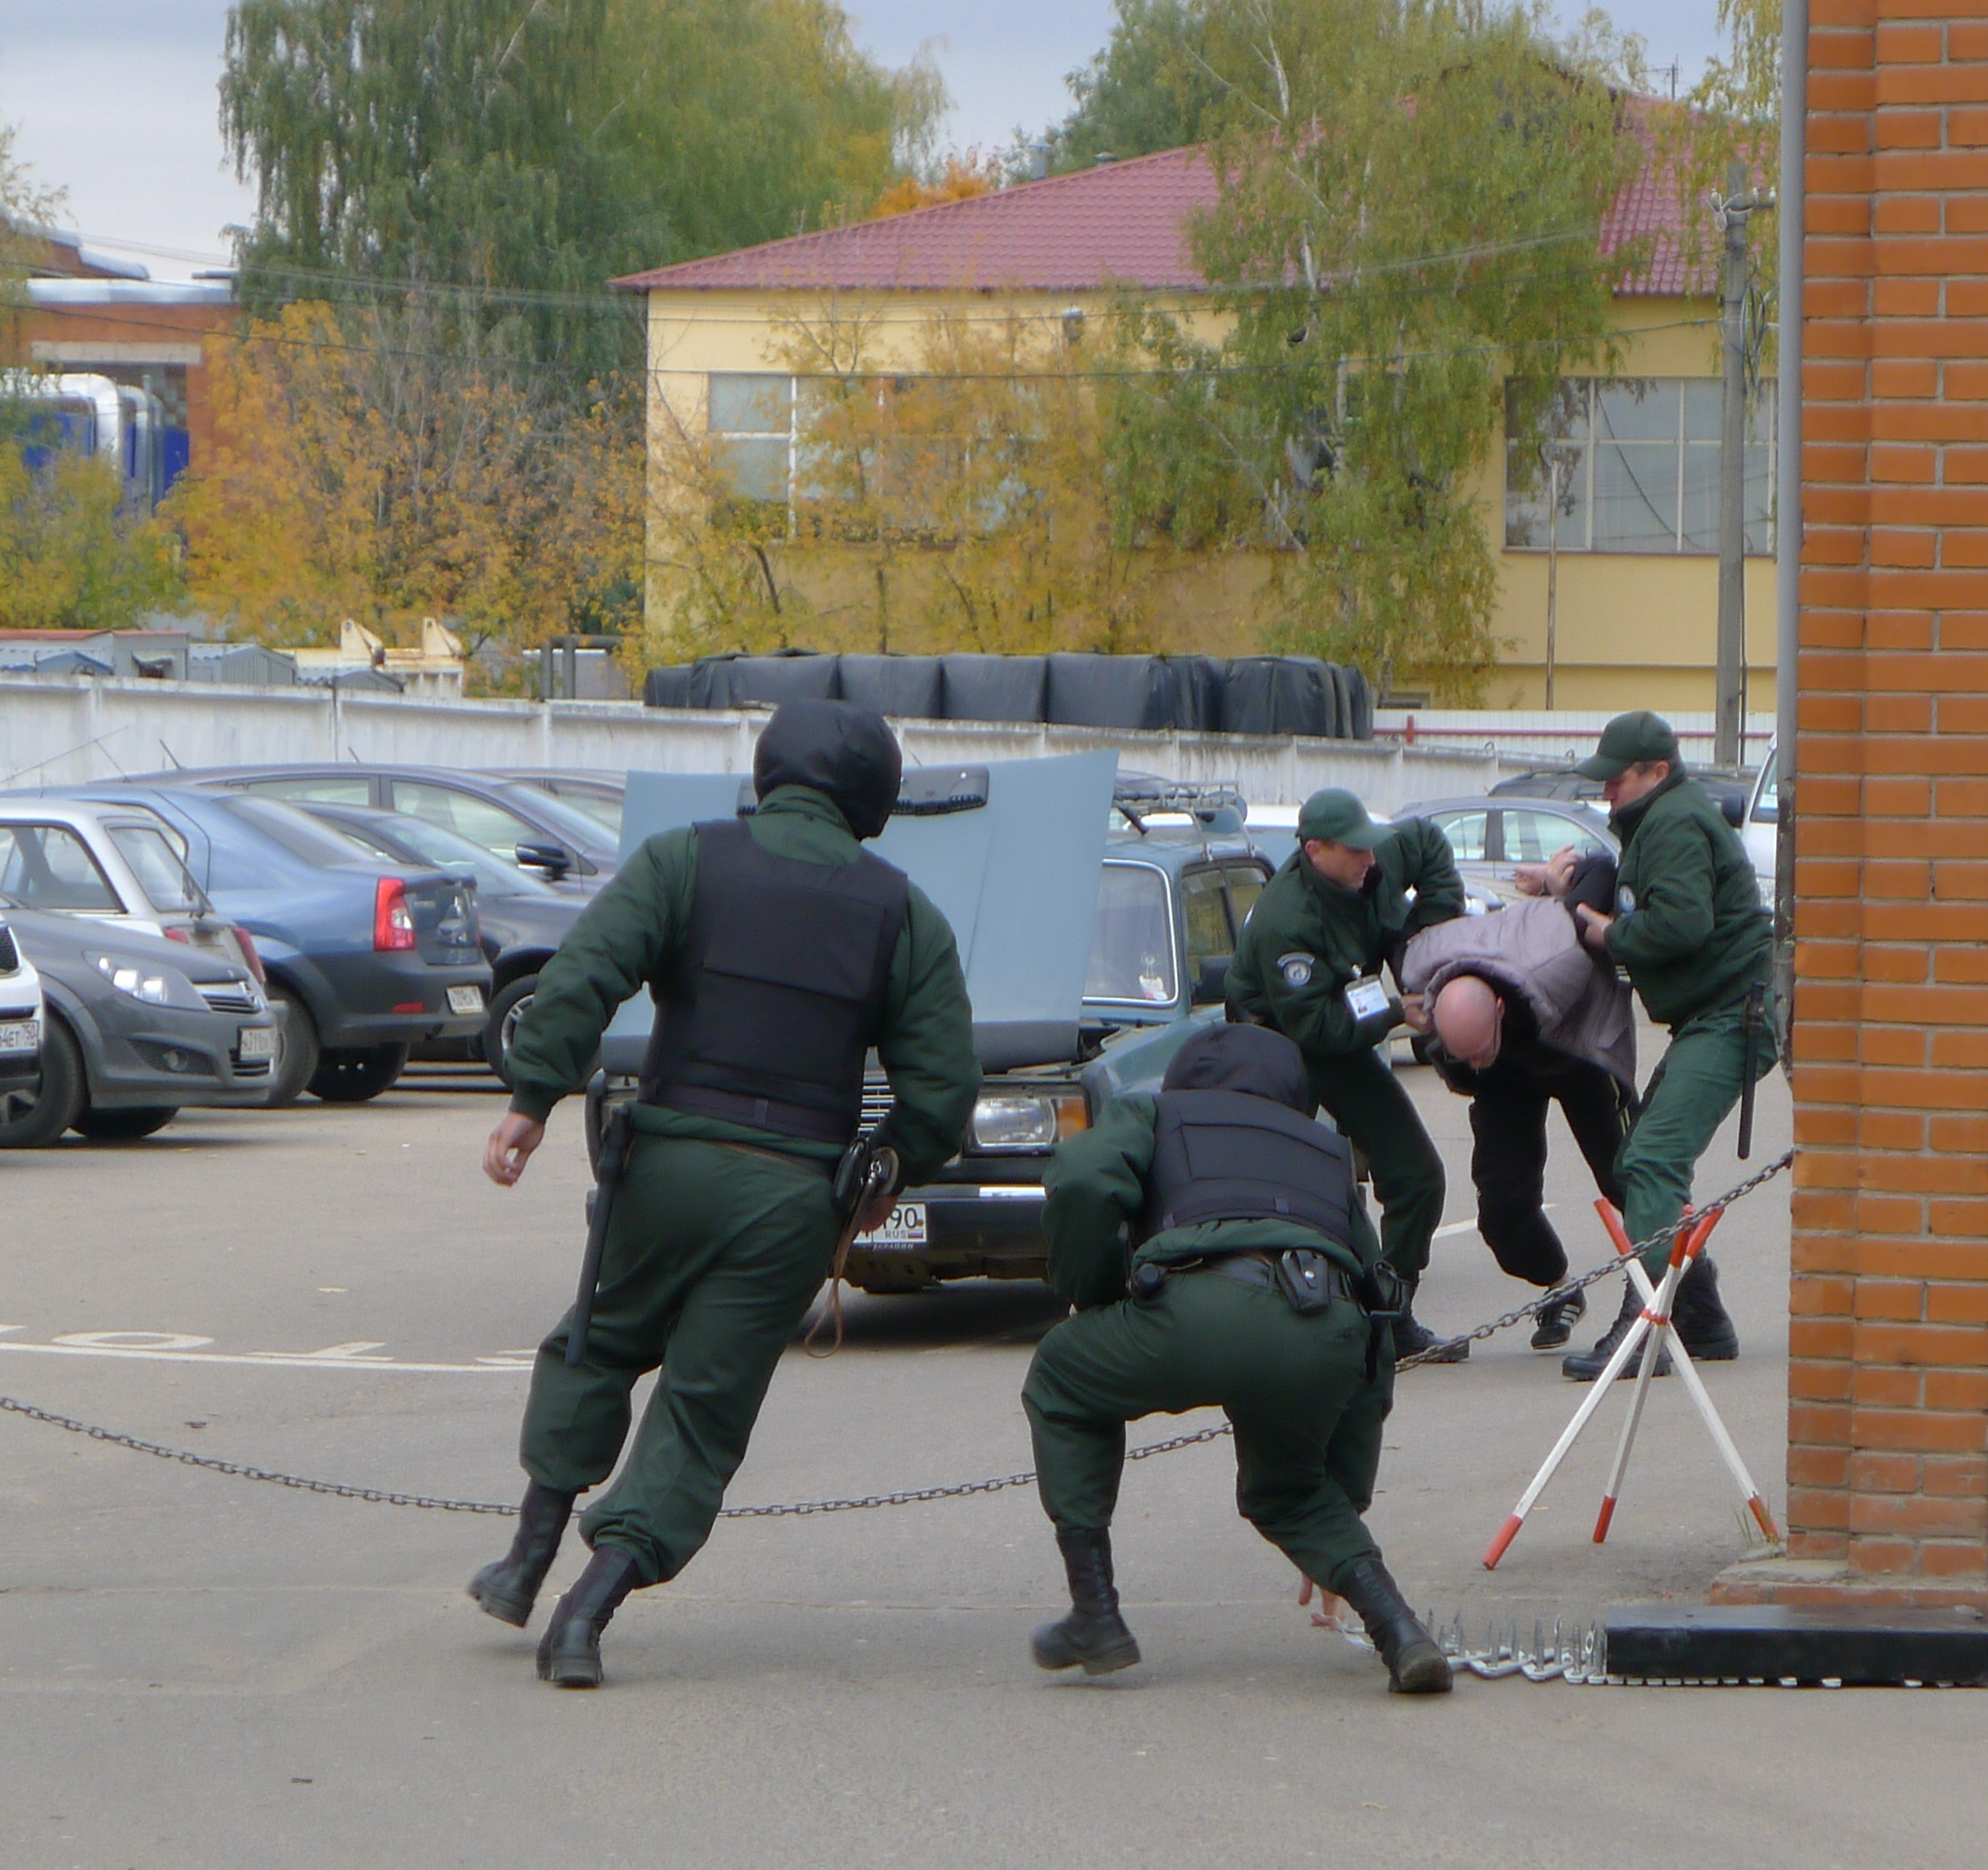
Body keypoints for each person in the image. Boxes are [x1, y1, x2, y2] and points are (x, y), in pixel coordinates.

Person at [470, 699, 980, 1686]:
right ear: (875, 797)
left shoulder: (682, 860)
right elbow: (945, 1086)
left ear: (767, 772)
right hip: (793, 1196)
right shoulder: (902, 910)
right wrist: (889, 1164)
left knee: (598, 1341)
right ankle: (584, 1614)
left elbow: (583, 975)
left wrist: (531, 1098)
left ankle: (524, 1557)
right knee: (702, 1409)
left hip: (662, 1165)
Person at [1019, 1021, 1452, 1696]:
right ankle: (1401, 1632)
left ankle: (1096, 1617)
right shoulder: (1326, 1153)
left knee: (1060, 1379)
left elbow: (1079, 1179)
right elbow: (1380, 1330)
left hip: (1190, 1311)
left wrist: (1094, 1292)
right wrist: (1346, 1496)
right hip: (1324, 1331)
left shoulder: (1156, 1111)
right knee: (1289, 1492)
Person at [1558, 710, 1768, 1382]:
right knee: (1640, 1159)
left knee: (1648, 1162)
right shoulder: (1662, 819)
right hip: (1716, 1012)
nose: (1607, 793)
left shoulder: (1674, 822)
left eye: (1616, 780)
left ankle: (1649, 1322)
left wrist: (1608, 934)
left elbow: (1680, 923)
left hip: (1733, 1012)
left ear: (1657, 771)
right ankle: (1701, 1318)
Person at [1225, 787, 1465, 1357]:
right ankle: (1267, 1321)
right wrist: (1393, 1011)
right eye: (1354, 852)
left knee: (1418, 1175)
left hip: (1342, 1024)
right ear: (1315, 851)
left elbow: (1430, 845)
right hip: (1279, 1043)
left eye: (1370, 848)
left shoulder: (1374, 861)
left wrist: (1423, 942)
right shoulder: (1288, 921)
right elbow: (1316, 1031)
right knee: (1277, 1195)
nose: (1370, 860)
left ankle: (1391, 1313)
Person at [1398, 854, 1638, 1354]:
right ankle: (1559, 1285)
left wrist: (1558, 886)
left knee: (1632, 1181)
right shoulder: (1422, 965)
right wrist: (1472, 1056)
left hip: (1576, 1050)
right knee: (1502, 1210)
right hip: (1512, 1073)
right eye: (1467, 1057)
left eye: (1479, 1053)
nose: (1475, 1065)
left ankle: (1688, 1293)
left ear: (1502, 1012)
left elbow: (1600, 867)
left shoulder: (1559, 960)